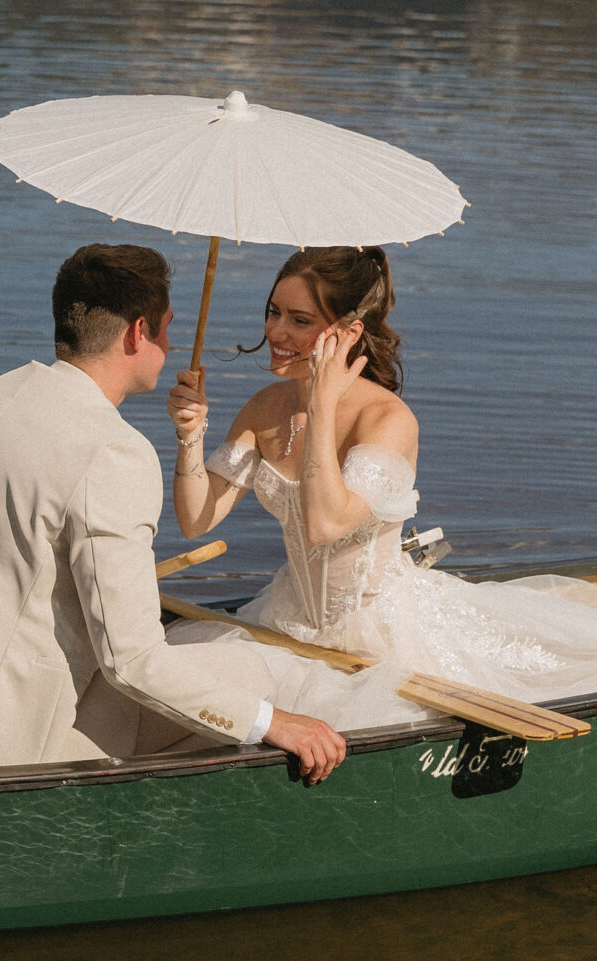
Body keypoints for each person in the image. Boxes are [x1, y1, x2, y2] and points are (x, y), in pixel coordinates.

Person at [0, 243, 347, 781]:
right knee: (245, 668)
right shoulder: (115, 453)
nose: (170, 345)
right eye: (167, 329)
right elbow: (132, 662)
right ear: (137, 332)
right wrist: (272, 722)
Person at [165, 246, 597, 728]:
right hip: (286, 618)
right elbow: (195, 519)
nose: (276, 332)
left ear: (348, 333)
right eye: (274, 312)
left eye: (300, 320)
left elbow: (326, 524)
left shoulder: (387, 419)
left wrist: (322, 409)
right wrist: (190, 434)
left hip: (381, 634)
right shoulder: (265, 407)